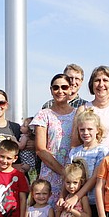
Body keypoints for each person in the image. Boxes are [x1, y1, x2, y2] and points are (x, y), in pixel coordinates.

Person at [31, 74, 77, 208]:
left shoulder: (78, 114)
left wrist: (70, 175)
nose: (60, 91)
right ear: (51, 90)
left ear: (70, 89)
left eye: (64, 87)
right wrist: (63, 172)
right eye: (56, 87)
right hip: (49, 177)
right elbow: (40, 149)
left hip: (73, 179)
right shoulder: (44, 115)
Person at [74, 65, 109, 154]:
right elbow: (75, 143)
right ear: (92, 84)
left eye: (105, 80)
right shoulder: (83, 110)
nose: (101, 84)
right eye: (97, 80)